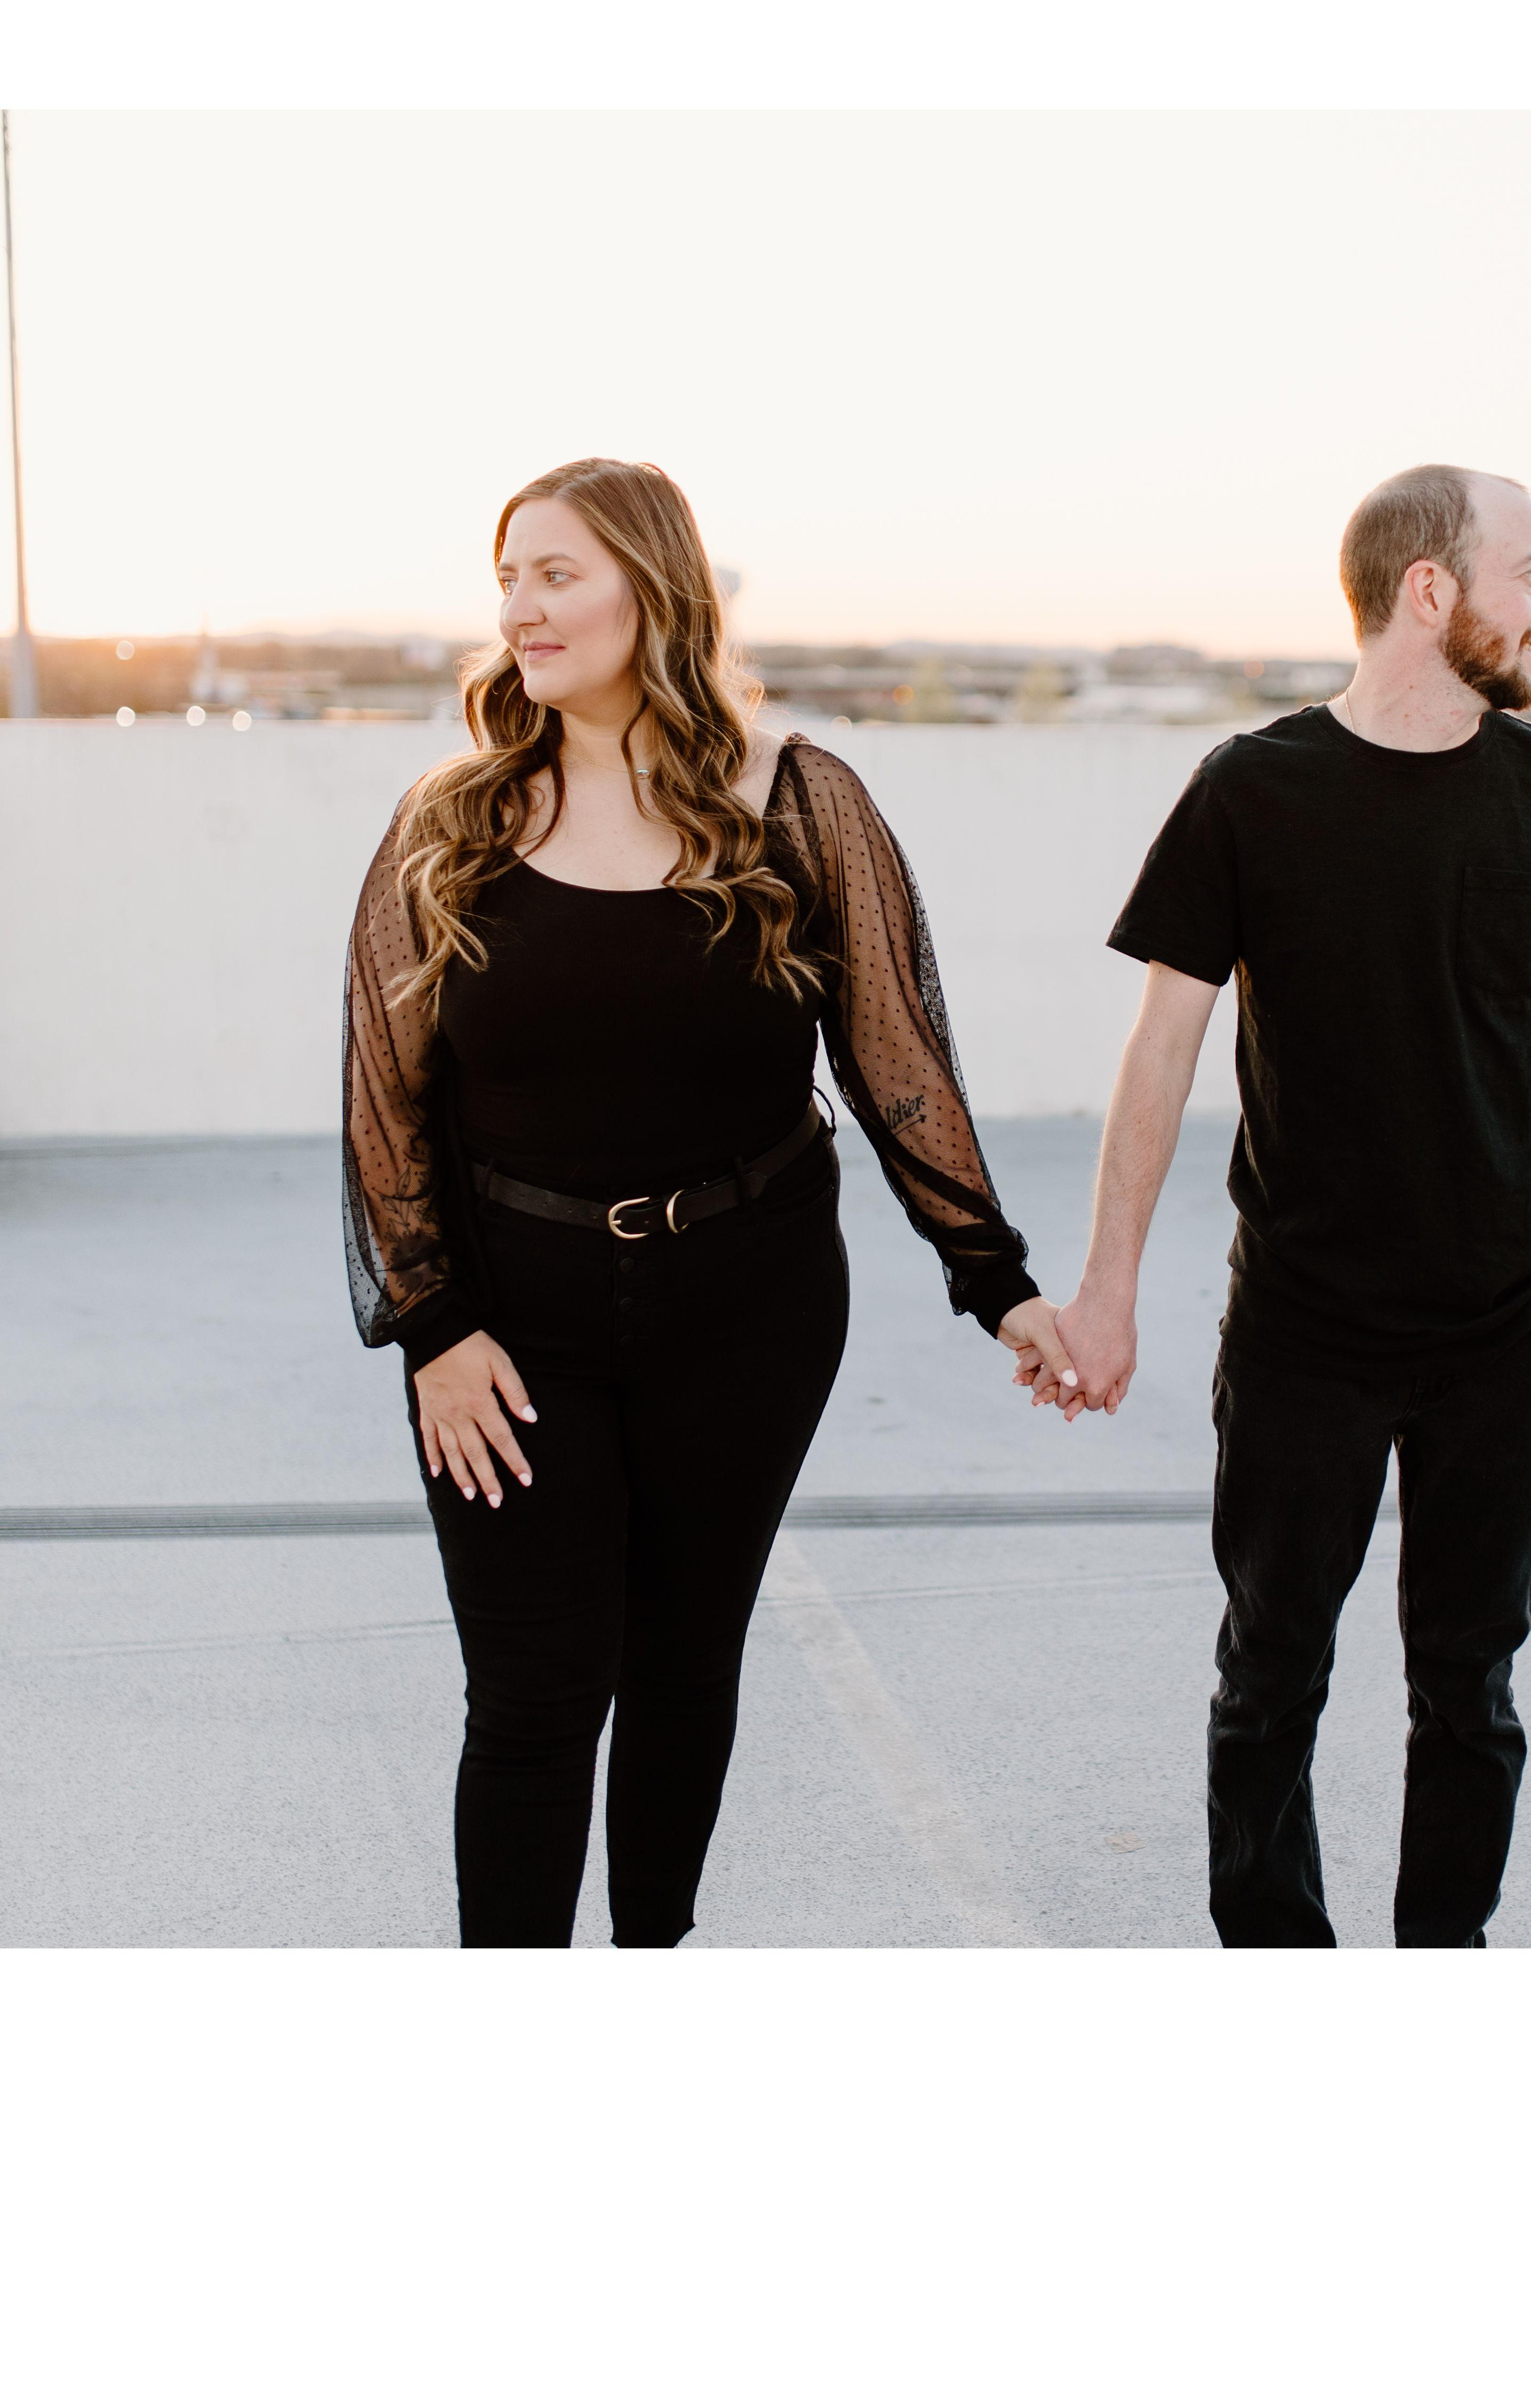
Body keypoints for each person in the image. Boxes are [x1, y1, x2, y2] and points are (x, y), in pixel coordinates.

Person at [343, 457, 1076, 1947]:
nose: (521, 608)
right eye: (509, 577)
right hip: (513, 1327)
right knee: (534, 1694)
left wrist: (996, 1281)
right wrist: (432, 1327)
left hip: (751, 1309)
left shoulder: (797, 800)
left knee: (685, 1665)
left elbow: (896, 1060)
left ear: (653, 588)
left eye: (558, 573)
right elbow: (383, 1095)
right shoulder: (453, 820)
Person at [1047, 465, 1531, 1947]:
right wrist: (1108, 1290)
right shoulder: (1252, 787)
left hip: (1505, 1332)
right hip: (1303, 1330)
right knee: (1270, 1675)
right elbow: (1162, 1050)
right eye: (1529, 571)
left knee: (1470, 1684)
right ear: (1429, 590)